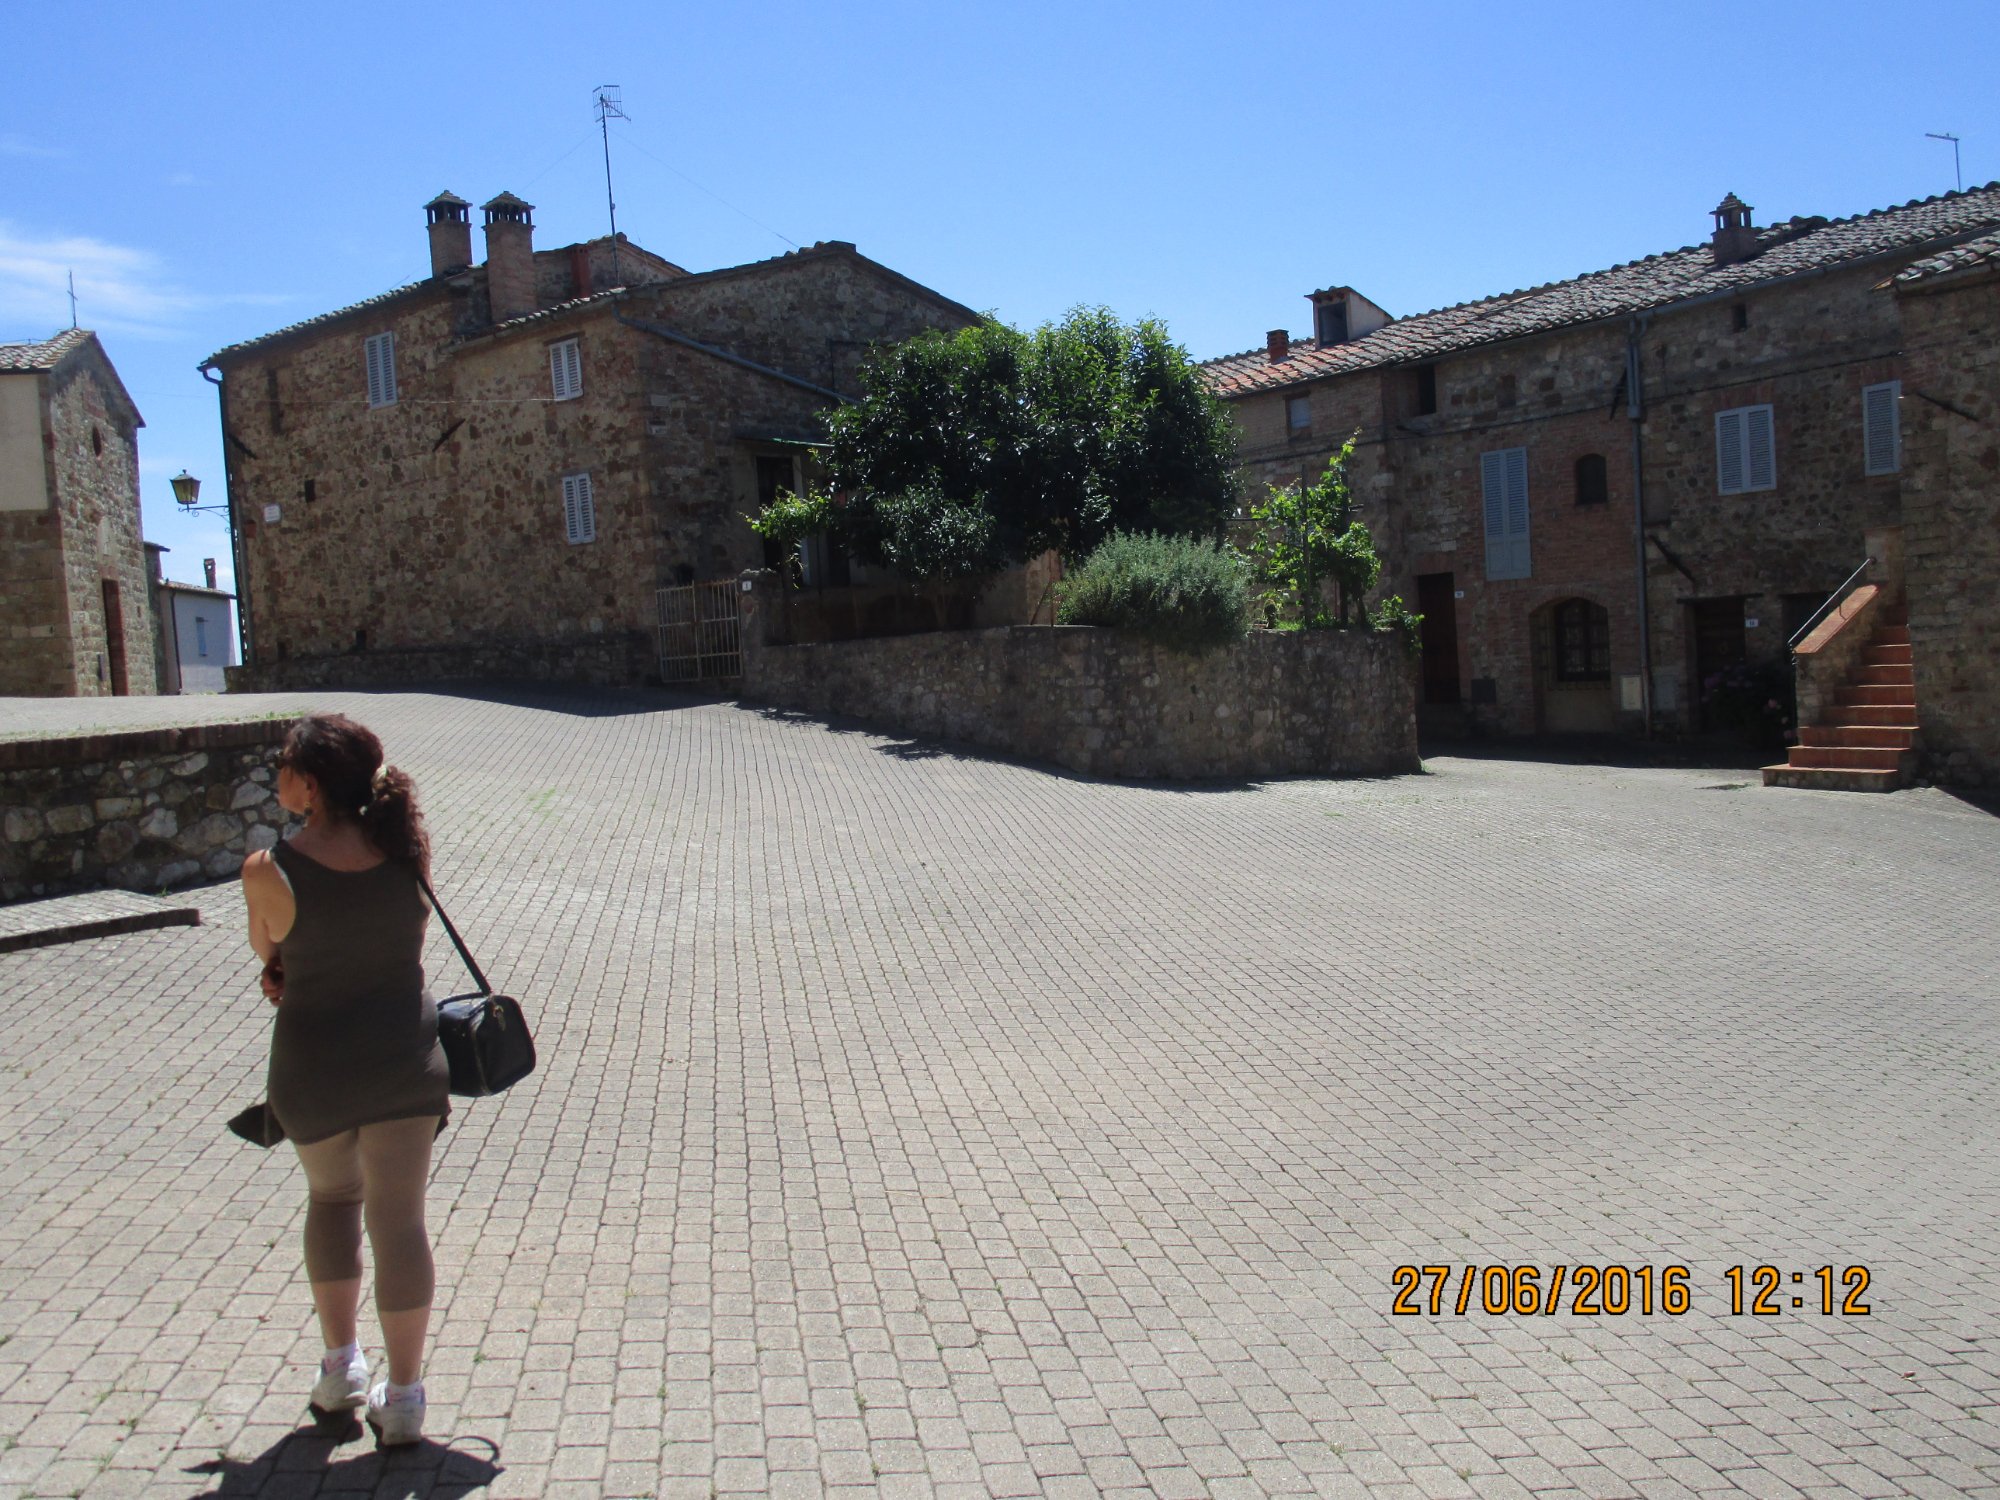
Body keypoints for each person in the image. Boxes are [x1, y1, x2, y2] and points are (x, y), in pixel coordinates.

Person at [240, 712, 448, 1449]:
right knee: (401, 1223)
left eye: (284, 765)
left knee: (332, 1200)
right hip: (404, 1062)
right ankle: (408, 1398)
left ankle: (341, 1371)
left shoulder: (269, 869)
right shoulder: (403, 850)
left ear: (311, 782)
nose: (277, 777)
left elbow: (272, 955)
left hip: (315, 1066)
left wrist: (286, 965)